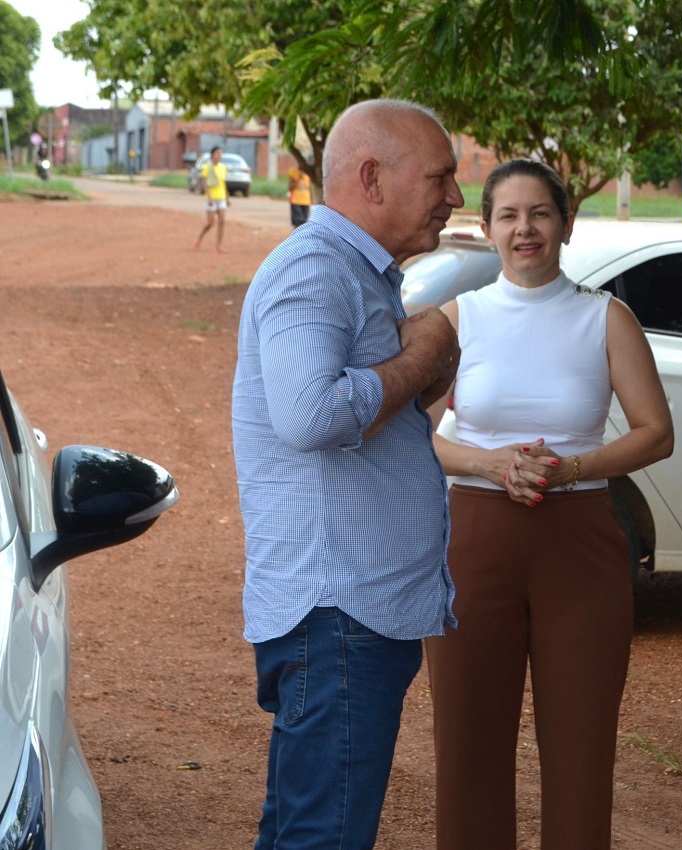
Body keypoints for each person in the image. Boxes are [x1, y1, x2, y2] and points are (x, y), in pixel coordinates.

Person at [232, 99, 464, 850]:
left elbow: (363, 410)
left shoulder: (354, 271)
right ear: (372, 177)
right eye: (441, 178)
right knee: (321, 838)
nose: (456, 198)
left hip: (348, 614)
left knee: (307, 830)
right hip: (338, 614)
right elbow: (309, 417)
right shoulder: (316, 267)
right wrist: (425, 357)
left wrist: (419, 365)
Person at [424, 158, 674, 850]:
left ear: (566, 224)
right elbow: (416, 438)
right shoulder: (457, 319)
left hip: (581, 540)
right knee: (468, 742)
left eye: (540, 213)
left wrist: (570, 470)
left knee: (581, 746)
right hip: (474, 538)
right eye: (508, 215)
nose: (524, 228)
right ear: (486, 228)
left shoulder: (605, 318)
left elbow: (657, 433)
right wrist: (489, 462)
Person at [194, 145, 229, 252]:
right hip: (211, 198)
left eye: (221, 153)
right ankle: (199, 238)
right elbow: (204, 183)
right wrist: (209, 197)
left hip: (221, 197)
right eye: (218, 153)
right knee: (210, 223)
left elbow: (223, 183)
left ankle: (219, 246)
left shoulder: (223, 167)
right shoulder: (207, 168)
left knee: (222, 221)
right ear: (213, 155)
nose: (220, 155)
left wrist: (227, 196)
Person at [287, 163, 313, 227]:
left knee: (304, 220)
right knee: (297, 220)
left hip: (306, 201)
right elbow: (290, 187)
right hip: (296, 200)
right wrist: (299, 177)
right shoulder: (294, 173)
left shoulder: (308, 174)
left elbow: (309, 188)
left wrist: (311, 198)